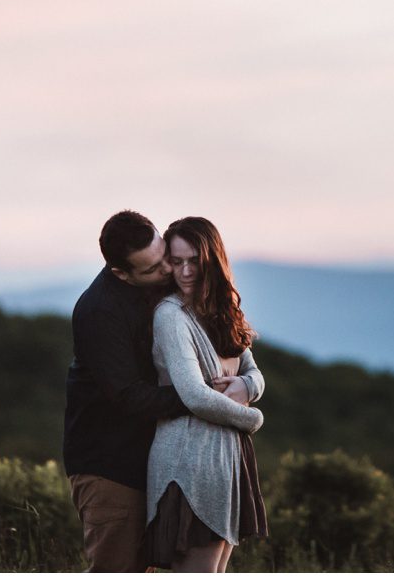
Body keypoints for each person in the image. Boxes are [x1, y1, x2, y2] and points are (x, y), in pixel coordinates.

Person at [63, 210, 192, 572]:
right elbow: (128, 395)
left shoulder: (159, 284)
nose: (167, 270)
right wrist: (201, 400)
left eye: (164, 256)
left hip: (151, 462)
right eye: (151, 269)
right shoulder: (99, 311)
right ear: (121, 272)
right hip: (109, 469)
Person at [145, 216, 268, 573]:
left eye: (193, 261)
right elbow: (195, 396)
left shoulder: (222, 311)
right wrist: (253, 417)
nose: (184, 272)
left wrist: (247, 386)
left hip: (226, 459)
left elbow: (254, 372)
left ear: (211, 260)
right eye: (177, 261)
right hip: (188, 461)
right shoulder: (171, 315)